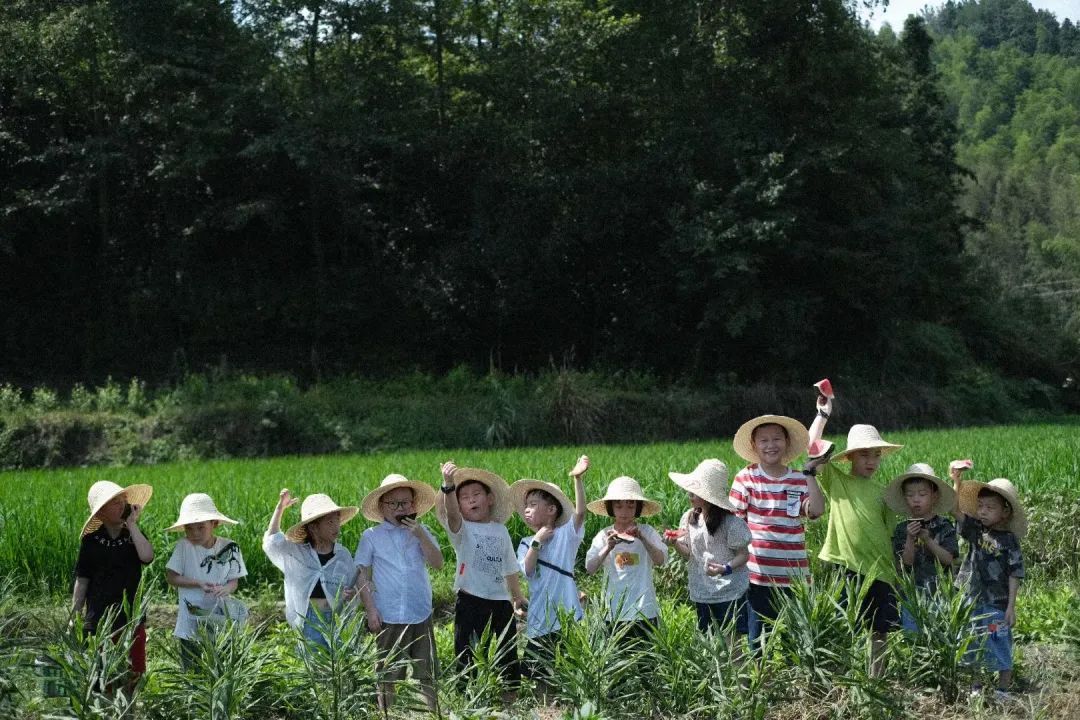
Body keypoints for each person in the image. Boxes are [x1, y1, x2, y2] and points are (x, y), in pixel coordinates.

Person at [807, 400, 904, 675]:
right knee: (845, 625)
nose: (871, 461)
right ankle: (847, 679)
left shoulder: (885, 493)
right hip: (847, 566)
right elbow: (811, 447)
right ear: (850, 457)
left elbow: (890, 534)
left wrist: (896, 571)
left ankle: (876, 680)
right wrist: (823, 414)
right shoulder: (837, 480)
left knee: (879, 630)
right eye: (864, 455)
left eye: (876, 455)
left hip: (881, 570)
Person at [729, 414, 824, 650]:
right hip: (757, 574)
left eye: (777, 439)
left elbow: (817, 510)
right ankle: (763, 684)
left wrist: (810, 474)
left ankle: (795, 686)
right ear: (754, 445)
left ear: (787, 443)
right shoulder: (746, 478)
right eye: (764, 440)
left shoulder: (797, 479)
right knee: (758, 640)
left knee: (796, 641)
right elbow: (734, 524)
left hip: (794, 575)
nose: (771, 445)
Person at [355, 474, 443, 711]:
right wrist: (371, 609)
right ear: (382, 507)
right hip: (388, 614)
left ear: (413, 506)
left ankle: (434, 713)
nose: (399, 508)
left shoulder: (420, 531)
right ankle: (387, 713)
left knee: (428, 671)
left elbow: (438, 563)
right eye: (393, 504)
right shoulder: (371, 536)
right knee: (387, 673)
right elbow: (361, 573)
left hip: (420, 611)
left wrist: (421, 535)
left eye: (404, 503)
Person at [437, 461, 526, 690]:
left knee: (507, 651)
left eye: (476, 494)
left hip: (500, 601)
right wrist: (448, 486)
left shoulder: (501, 530)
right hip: (470, 600)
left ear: (490, 499)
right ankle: (470, 700)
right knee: (468, 653)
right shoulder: (461, 529)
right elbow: (452, 514)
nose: (471, 499)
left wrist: (516, 596)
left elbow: (509, 566)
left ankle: (510, 701)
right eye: (464, 497)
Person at [511, 455, 589, 684]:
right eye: (526, 506)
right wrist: (537, 541)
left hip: (567, 612)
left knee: (569, 670)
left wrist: (578, 480)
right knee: (538, 674)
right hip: (540, 615)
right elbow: (527, 570)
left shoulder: (567, 534)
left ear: (552, 509)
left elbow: (581, 513)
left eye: (533, 505)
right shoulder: (526, 542)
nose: (527, 510)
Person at [72, 480, 154, 692]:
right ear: (100, 513)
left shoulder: (133, 536)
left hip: (131, 616)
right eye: (114, 503)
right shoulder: (91, 541)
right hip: (99, 617)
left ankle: (129, 709)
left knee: (133, 671)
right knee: (103, 674)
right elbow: (82, 579)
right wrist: (75, 614)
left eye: (122, 502)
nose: (121, 506)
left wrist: (133, 525)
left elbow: (147, 557)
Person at [952, 466, 1026, 699]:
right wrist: (956, 480)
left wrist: (1011, 607)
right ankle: (976, 686)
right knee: (972, 640)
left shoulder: (1010, 542)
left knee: (998, 640)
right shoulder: (975, 531)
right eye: (980, 506)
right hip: (971, 598)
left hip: (997, 603)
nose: (982, 512)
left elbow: (1015, 573)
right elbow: (954, 510)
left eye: (990, 508)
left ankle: (1003, 688)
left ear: (1005, 512)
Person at [666, 459, 750, 646]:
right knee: (710, 643)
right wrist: (674, 544)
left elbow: (744, 555)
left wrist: (726, 568)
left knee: (731, 644)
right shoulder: (690, 517)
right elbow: (689, 553)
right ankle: (717, 675)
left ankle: (738, 676)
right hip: (702, 588)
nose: (690, 494)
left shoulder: (732, 523)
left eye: (696, 490)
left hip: (729, 591)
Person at [263, 489, 358, 648]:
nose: (336, 527)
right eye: (329, 522)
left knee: (340, 664)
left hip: (338, 618)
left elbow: (353, 586)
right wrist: (280, 509)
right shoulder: (296, 553)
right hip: (309, 619)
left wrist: (351, 594)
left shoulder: (342, 555)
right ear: (313, 527)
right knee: (315, 665)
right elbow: (271, 543)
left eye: (337, 520)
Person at [164, 493, 248, 668]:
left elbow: (234, 581)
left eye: (200, 527)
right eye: (189, 528)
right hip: (190, 617)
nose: (194, 533)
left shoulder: (230, 547)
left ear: (214, 524)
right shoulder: (183, 546)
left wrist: (226, 589)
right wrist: (198, 583)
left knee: (222, 666)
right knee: (193, 669)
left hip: (221, 617)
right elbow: (171, 577)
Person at [584, 474, 666, 636]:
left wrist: (642, 538)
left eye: (630, 506)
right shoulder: (603, 535)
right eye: (619, 506)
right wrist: (607, 547)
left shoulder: (648, 532)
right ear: (611, 508)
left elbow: (660, 560)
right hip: (613, 610)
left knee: (645, 659)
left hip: (644, 609)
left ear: (638, 508)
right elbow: (590, 568)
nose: (624, 512)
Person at [884, 463, 958, 632]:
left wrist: (928, 540)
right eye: (910, 495)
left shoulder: (944, 525)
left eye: (922, 494)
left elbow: (949, 559)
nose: (916, 499)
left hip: (940, 594)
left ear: (934, 496)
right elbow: (904, 565)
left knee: (941, 636)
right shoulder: (902, 529)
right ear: (904, 498)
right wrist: (910, 538)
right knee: (914, 640)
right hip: (912, 596)